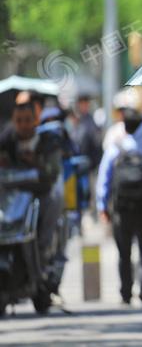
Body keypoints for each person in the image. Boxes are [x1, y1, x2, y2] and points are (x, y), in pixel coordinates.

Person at [0, 102, 64, 301]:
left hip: (40, 195)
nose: (24, 125)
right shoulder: (6, 140)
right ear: (14, 121)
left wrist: (36, 163)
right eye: (19, 121)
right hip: (12, 198)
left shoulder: (48, 141)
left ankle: (44, 253)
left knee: (55, 199)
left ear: (36, 120)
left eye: (28, 120)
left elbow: (53, 172)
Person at [96, 109, 142, 307]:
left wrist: (102, 206)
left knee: (124, 253)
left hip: (121, 209)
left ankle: (126, 293)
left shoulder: (115, 149)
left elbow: (104, 179)